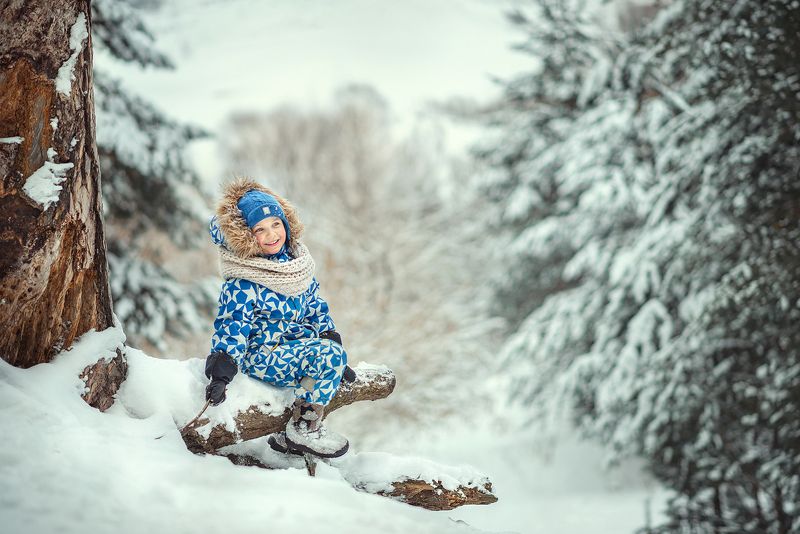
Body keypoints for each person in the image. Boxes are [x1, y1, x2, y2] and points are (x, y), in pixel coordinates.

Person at [203, 177, 355, 458]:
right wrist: (221, 373)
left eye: (275, 224)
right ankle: (304, 428)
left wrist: (335, 358)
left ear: (286, 224)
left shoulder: (296, 267)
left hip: (292, 351)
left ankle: (288, 438)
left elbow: (315, 309)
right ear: (248, 236)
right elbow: (232, 324)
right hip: (262, 355)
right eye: (260, 229)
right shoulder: (244, 279)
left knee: (325, 367)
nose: (271, 234)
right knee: (327, 358)